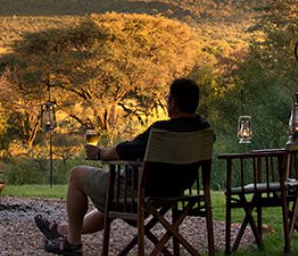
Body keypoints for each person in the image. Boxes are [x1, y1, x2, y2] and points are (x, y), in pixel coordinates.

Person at [35, 78, 212, 255]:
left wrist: (98, 154)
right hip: (174, 192)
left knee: (76, 175)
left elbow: (123, 151)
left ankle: (72, 243)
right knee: (110, 204)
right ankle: (63, 230)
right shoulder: (204, 131)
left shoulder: (161, 131)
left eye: (168, 98)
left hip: (139, 192)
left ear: (173, 102)